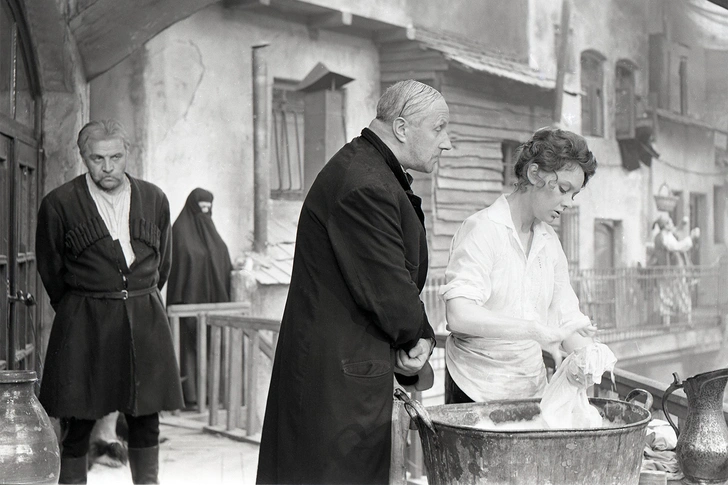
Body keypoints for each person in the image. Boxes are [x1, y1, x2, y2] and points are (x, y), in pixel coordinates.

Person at [256, 79, 451, 484]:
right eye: (439, 128)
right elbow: (387, 285)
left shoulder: (368, 169)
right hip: (337, 382)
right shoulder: (365, 183)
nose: (446, 143)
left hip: (340, 370)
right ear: (401, 128)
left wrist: (417, 332)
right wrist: (418, 335)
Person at [36, 119, 183, 484]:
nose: (108, 167)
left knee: (146, 419)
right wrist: (82, 308)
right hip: (84, 324)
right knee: (77, 421)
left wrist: (135, 300)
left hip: (145, 322)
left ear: (126, 153)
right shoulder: (59, 204)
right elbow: (51, 270)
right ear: (83, 157)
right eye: (97, 158)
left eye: (116, 156)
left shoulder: (154, 199)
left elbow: (162, 265)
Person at [439, 127, 599, 404]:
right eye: (563, 189)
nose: (569, 203)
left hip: (530, 389)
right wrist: (534, 330)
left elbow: (565, 317)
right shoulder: (483, 230)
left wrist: (587, 358)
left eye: (574, 194)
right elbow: (460, 314)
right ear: (534, 174)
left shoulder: (549, 243)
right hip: (475, 389)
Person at [166, 188, 232, 407]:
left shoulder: (211, 233)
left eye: (208, 208)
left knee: (212, 349)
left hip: (213, 304)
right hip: (187, 304)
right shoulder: (179, 232)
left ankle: (211, 398)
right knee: (188, 351)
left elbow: (221, 256)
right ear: (193, 207)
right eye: (201, 208)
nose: (205, 213)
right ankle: (190, 398)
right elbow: (178, 265)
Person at [650, 214, 700, 325]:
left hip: (670, 271)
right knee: (673, 294)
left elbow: (676, 232)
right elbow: (676, 247)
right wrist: (691, 238)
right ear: (665, 225)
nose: (672, 224)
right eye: (670, 222)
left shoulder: (666, 235)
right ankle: (674, 323)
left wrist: (682, 225)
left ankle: (683, 321)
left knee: (674, 294)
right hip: (670, 271)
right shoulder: (663, 237)